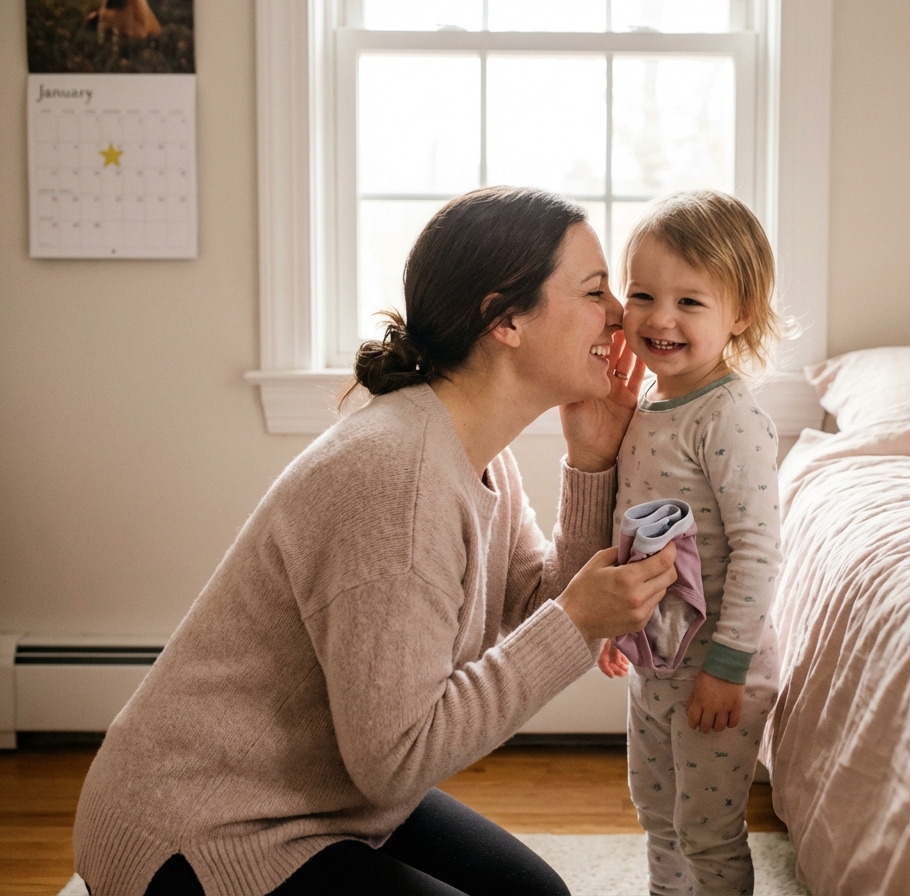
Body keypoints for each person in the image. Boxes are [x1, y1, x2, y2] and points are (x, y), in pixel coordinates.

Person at [72, 186, 679, 896]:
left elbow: (535, 602)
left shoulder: (475, 450)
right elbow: (396, 758)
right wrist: (578, 620)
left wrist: (591, 463)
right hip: (203, 830)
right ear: (505, 319)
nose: (618, 314)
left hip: (329, 797)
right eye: (594, 290)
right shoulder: (397, 477)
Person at [598, 190, 786, 896]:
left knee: (707, 830)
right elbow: (634, 532)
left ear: (740, 314)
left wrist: (728, 667)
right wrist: (613, 626)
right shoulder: (645, 408)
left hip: (717, 669)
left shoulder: (730, 417)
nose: (661, 318)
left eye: (691, 302)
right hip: (657, 661)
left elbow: (758, 550)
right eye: (643, 295)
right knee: (657, 813)